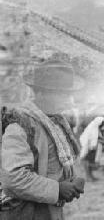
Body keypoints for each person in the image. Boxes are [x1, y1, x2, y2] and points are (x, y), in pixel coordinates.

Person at [0, 60, 85, 219]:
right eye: (61, 94)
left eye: (69, 94)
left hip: (48, 210)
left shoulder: (56, 122)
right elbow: (13, 179)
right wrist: (58, 189)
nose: (68, 100)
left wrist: (73, 182)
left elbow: (59, 163)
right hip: (23, 212)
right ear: (40, 93)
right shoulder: (20, 125)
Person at [79, 116, 104, 181]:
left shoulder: (95, 126)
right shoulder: (93, 127)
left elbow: (97, 137)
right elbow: (92, 138)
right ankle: (88, 176)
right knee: (86, 161)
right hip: (88, 146)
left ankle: (91, 175)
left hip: (91, 146)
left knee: (90, 161)